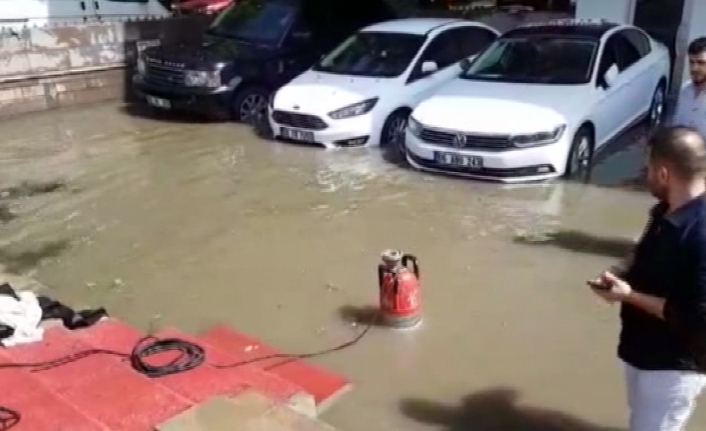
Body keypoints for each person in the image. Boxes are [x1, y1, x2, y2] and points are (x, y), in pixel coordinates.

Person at [589, 126, 706, 431]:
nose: (645, 174)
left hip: (674, 366)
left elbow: (696, 316)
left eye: (649, 168)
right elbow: (644, 252)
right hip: (642, 350)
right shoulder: (665, 211)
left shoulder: (701, 234)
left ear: (664, 173)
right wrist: (619, 274)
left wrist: (628, 296)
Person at [671, 37, 706, 138]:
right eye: (691, 62)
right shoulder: (685, 90)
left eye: (701, 63)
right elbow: (677, 126)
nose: (694, 68)